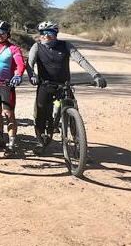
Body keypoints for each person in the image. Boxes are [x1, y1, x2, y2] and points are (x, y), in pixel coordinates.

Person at [25, 21, 107, 155]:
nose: (45, 36)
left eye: (49, 33)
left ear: (56, 34)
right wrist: (32, 75)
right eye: (42, 33)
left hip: (64, 85)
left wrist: (96, 75)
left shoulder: (66, 46)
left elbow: (81, 60)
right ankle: (40, 141)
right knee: (40, 113)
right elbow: (29, 64)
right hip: (45, 85)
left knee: (74, 112)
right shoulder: (37, 47)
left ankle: (79, 145)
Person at [0, 20, 26, 154]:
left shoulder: (14, 49)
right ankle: (0, 138)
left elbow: (20, 64)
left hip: (6, 86)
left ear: (8, 34)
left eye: (3, 32)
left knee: (8, 114)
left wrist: (18, 75)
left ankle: (11, 143)